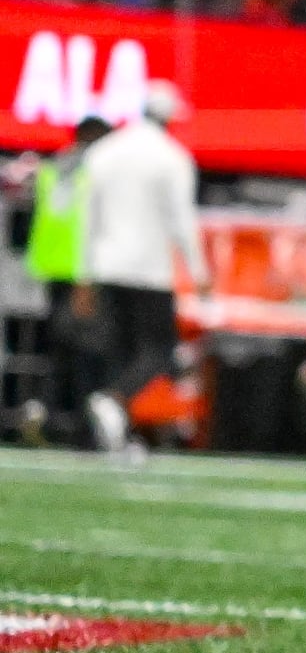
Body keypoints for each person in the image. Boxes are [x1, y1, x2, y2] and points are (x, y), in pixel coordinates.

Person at [77, 88, 206, 457]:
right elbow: (182, 220)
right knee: (159, 350)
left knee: (120, 351)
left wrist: (84, 273)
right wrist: (198, 270)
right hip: (149, 270)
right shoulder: (172, 159)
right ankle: (114, 403)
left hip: (107, 265)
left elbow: (89, 218)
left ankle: (114, 429)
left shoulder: (105, 152)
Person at [15, 114, 107, 447]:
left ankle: (45, 411)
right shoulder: (95, 172)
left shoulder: (54, 167)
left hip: (51, 267)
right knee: (87, 350)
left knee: (60, 348)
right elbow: (90, 225)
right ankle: (81, 425)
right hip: (82, 271)